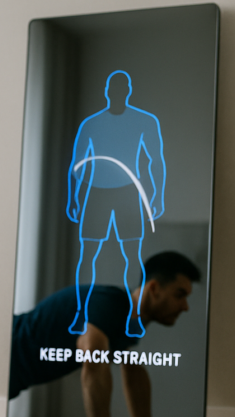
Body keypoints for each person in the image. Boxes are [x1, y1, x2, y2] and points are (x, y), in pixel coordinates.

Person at [8, 251, 199, 417]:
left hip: (15, 375)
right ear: (154, 288)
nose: (185, 307)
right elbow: (93, 357)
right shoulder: (112, 302)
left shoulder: (130, 323)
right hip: (4, 347)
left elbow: (134, 373)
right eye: (180, 295)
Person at [66, 70, 166, 338]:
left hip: (127, 194)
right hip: (96, 194)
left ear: (127, 91)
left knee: (132, 256)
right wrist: (73, 198)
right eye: (113, 89)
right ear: (108, 92)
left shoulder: (144, 121)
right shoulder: (92, 124)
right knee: (88, 256)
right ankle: (80, 313)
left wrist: (157, 196)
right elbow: (77, 165)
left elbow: (156, 160)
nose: (116, 94)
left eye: (121, 89)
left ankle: (134, 316)